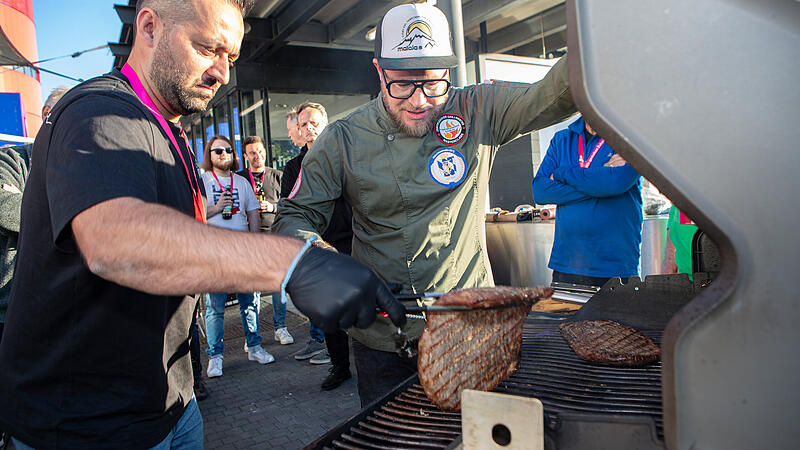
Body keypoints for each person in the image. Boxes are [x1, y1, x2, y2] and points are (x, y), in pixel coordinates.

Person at [0, 0, 405, 447]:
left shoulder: (167, 127)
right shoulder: (98, 112)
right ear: (150, 27)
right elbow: (115, 239)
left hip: (172, 405)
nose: (223, 73)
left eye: (230, 57)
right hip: (86, 425)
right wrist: (297, 264)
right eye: (209, 48)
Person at [273, 3, 576, 406]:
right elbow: (294, 215)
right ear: (379, 71)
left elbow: (554, 94)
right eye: (402, 83)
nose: (419, 101)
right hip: (383, 340)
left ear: (448, 72)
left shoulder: (478, 109)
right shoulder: (343, 139)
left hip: (470, 329)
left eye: (433, 83)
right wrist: (320, 264)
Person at [281, 101, 355, 390]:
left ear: (326, 125)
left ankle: (372, 359)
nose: (309, 128)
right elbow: (291, 208)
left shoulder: (346, 159)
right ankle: (340, 367)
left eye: (314, 122)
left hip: (354, 242)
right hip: (321, 247)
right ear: (298, 130)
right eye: (303, 124)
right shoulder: (294, 168)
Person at [532, 116, 643, 286]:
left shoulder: (630, 138)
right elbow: (540, 192)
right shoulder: (561, 139)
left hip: (615, 266)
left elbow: (615, 183)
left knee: (616, 314)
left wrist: (562, 174)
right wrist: (600, 179)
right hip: (567, 264)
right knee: (567, 314)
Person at [200, 134, 275, 376]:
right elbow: (195, 213)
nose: (224, 155)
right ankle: (215, 356)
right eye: (218, 151)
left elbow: (253, 211)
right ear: (209, 156)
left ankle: (254, 346)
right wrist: (216, 208)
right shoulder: (202, 181)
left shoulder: (241, 182)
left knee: (250, 303)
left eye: (228, 150)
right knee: (215, 308)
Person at [0, 86, 70, 342]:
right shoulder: (10, 160)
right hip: (8, 312)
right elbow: (4, 209)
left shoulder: (78, 171)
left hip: (60, 313)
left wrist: (24, 202)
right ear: (47, 114)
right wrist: (69, 215)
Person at [237, 135, 294, 345]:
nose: (257, 156)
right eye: (252, 153)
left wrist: (273, 207)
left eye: (260, 151)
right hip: (250, 241)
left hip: (274, 237)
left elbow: (290, 204)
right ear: (245, 156)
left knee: (278, 285)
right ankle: (252, 336)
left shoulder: (278, 176)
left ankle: (280, 328)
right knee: (253, 290)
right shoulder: (240, 178)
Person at [661, 205, 699, 279]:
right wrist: (669, 261)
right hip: (686, 280)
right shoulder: (685, 201)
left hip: (711, 280)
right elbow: (675, 222)